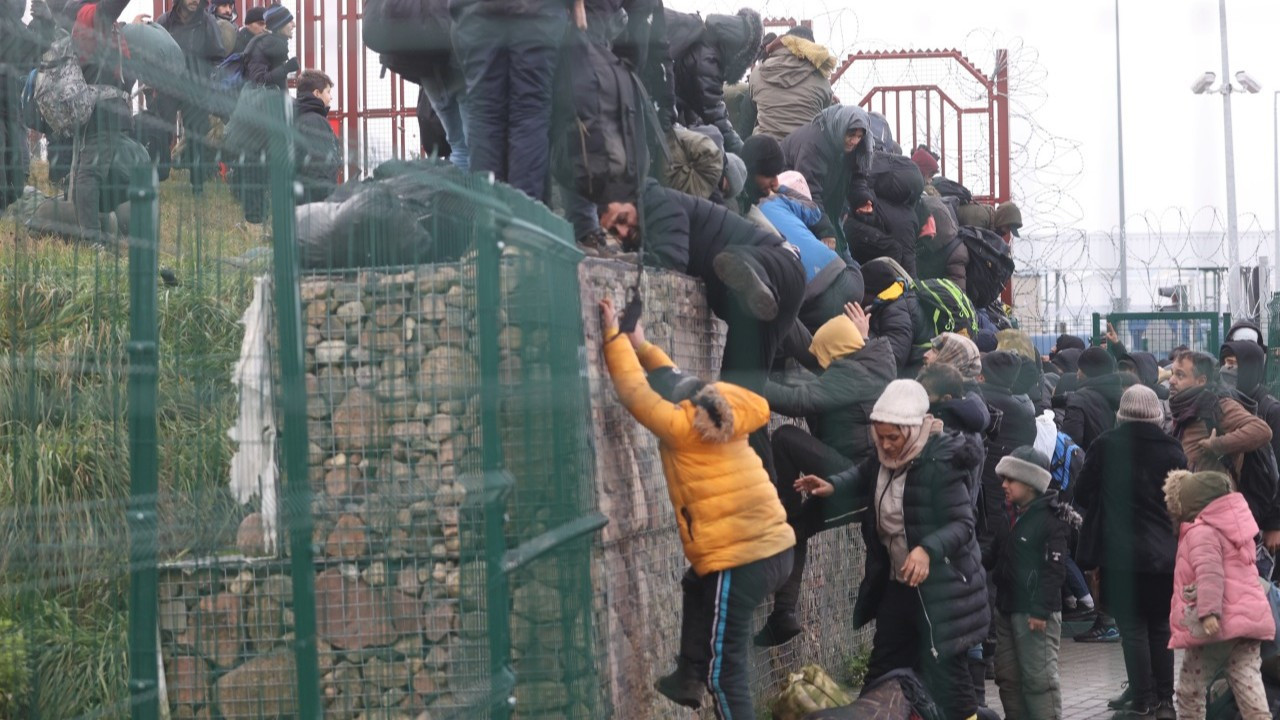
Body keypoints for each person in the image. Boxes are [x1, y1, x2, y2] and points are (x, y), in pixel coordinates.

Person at [598, 297, 795, 718]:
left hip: (742, 561)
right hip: (777, 550)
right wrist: (643, 345)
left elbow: (634, 391)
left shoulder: (679, 427)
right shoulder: (724, 416)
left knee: (725, 674)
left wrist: (614, 336)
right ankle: (688, 674)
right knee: (697, 584)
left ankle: (699, 676)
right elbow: (674, 379)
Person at [795, 380, 987, 720]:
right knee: (882, 672)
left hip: (944, 591)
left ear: (913, 431)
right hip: (901, 584)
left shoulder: (942, 462)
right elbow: (865, 473)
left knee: (951, 680)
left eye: (893, 438)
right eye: (879, 436)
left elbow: (963, 524)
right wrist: (833, 485)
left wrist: (927, 550)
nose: (885, 444)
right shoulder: (885, 456)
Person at [757, 311, 896, 646]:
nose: (816, 364)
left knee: (786, 438)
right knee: (796, 529)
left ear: (836, 354)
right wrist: (782, 306)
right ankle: (783, 617)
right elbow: (813, 349)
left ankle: (786, 509)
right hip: (855, 476)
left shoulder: (851, 375)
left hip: (856, 482)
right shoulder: (868, 360)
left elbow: (800, 400)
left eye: (823, 359)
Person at [598, 178, 805, 397]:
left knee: (733, 257)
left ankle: (758, 284)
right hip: (753, 314)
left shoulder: (659, 202)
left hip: (781, 266)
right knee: (737, 399)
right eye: (613, 229)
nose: (621, 231)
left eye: (622, 219)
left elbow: (671, 261)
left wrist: (627, 258)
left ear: (634, 200)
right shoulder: (641, 231)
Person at [1074, 385, 1187, 717]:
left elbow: (1082, 492)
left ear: (1121, 414)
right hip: (1165, 555)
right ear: (1157, 414)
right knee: (1161, 626)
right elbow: (1181, 502)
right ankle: (1166, 701)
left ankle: (1143, 699)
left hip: (1120, 556)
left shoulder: (1106, 445)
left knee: (1133, 628)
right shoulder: (1173, 449)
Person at [1165, 470, 1276, 720]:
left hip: (1217, 625)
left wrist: (1209, 612)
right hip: (1249, 622)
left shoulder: (1202, 531)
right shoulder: (1238, 526)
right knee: (1248, 682)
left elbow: (1210, 573)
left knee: (1190, 689)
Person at [740, 134, 863, 336]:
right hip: (847, 280)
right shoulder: (775, 201)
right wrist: (784, 190)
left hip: (812, 301)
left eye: (777, 176)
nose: (774, 182)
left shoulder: (768, 201)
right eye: (770, 176)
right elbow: (813, 210)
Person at [450, 0, 565, 201]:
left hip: (476, 11)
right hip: (538, 10)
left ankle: (489, 217)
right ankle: (524, 220)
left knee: (483, 113)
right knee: (531, 111)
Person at [991, 446, 1071, 720]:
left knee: (1039, 681)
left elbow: (1054, 570)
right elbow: (992, 556)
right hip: (1006, 609)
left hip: (1035, 614)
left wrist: (1040, 611)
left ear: (1030, 482)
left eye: (1010, 479)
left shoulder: (1051, 520)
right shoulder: (1009, 516)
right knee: (1008, 678)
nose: (1004, 485)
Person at [1167, 350, 1277, 542]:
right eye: (1172, 373)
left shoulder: (1218, 405)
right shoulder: (1182, 409)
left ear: (1201, 381)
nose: (1172, 380)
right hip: (1189, 516)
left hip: (1214, 518)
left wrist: (1217, 445)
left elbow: (1261, 430)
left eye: (1180, 375)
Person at [69, 0, 135, 244]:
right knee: (92, 171)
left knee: (89, 168)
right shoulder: (94, 13)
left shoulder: (87, 16)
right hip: (102, 106)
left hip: (98, 103)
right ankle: (91, 237)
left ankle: (91, 230)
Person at [661, 7, 760, 154]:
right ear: (741, 51)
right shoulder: (708, 59)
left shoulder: (705, 44)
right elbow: (714, 115)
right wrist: (744, 156)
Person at [781, 104, 873, 251]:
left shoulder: (850, 146)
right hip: (792, 206)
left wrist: (861, 199)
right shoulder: (813, 144)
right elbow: (807, 191)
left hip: (826, 208)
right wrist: (824, 229)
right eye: (851, 135)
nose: (855, 141)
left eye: (859, 137)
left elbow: (856, 176)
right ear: (841, 127)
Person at [156, 0, 227, 194]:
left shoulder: (207, 22)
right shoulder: (165, 21)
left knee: (197, 137)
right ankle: (159, 174)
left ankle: (197, 186)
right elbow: (154, 51)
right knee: (161, 130)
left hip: (196, 88)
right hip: (168, 86)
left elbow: (218, 57)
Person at [1, 0, 56, 212]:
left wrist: (45, 22)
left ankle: (7, 211)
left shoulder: (15, 26)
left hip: (12, 108)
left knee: (16, 177)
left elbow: (34, 49)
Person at [747, 25, 835, 141]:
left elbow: (750, 115)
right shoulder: (821, 79)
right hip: (804, 152)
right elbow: (825, 114)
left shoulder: (758, 72)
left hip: (766, 152)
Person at [859, 257, 930, 377]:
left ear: (872, 292)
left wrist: (862, 334)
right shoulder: (892, 300)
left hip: (910, 380)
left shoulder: (897, 312)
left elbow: (892, 361)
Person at [1222, 339, 1280, 461]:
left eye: (1233, 363)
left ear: (1249, 369)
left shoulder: (1271, 410)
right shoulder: (1223, 402)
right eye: (1225, 363)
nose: (1226, 368)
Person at [1060, 346, 1124, 451]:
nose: (1077, 373)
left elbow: (1069, 444)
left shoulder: (1079, 399)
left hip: (1089, 463)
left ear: (1088, 371)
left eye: (1080, 368)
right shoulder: (1119, 397)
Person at [293, 69, 341, 204]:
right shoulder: (315, 121)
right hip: (316, 201)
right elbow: (319, 165)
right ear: (316, 93)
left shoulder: (301, 118)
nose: (331, 97)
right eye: (328, 92)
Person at [243, 5, 297, 89]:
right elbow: (258, 81)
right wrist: (286, 68)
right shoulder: (261, 47)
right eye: (289, 21)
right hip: (263, 102)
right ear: (279, 25)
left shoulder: (277, 45)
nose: (294, 25)